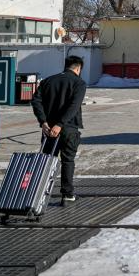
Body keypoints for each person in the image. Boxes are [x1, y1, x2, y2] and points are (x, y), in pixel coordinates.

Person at [31, 55, 87, 204]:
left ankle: (39, 193)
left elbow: (36, 101)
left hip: (48, 129)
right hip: (68, 128)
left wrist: (43, 121)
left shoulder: (48, 81)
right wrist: (60, 124)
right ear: (78, 68)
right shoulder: (79, 83)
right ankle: (67, 194)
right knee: (67, 160)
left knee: (47, 161)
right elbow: (74, 106)